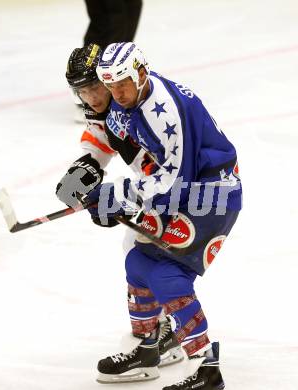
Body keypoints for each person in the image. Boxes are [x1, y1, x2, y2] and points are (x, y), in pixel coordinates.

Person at [81, 42, 242, 389]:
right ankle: (148, 348)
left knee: (168, 274)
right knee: (138, 263)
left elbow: (175, 181)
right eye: (110, 86)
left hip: (212, 194)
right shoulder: (128, 101)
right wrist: (92, 176)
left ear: (140, 73)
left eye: (122, 83)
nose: (116, 93)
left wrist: (118, 196)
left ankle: (207, 369)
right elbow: (140, 159)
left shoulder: (165, 111)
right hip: (187, 191)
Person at [56, 43, 185, 368]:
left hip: (179, 185)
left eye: (96, 87)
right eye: (82, 91)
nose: (92, 98)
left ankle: (152, 343)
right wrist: (86, 166)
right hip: (158, 185)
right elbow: (102, 139)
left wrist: (129, 197)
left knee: (146, 255)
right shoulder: (109, 106)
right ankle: (164, 335)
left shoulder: (137, 106)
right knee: (140, 252)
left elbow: (168, 163)